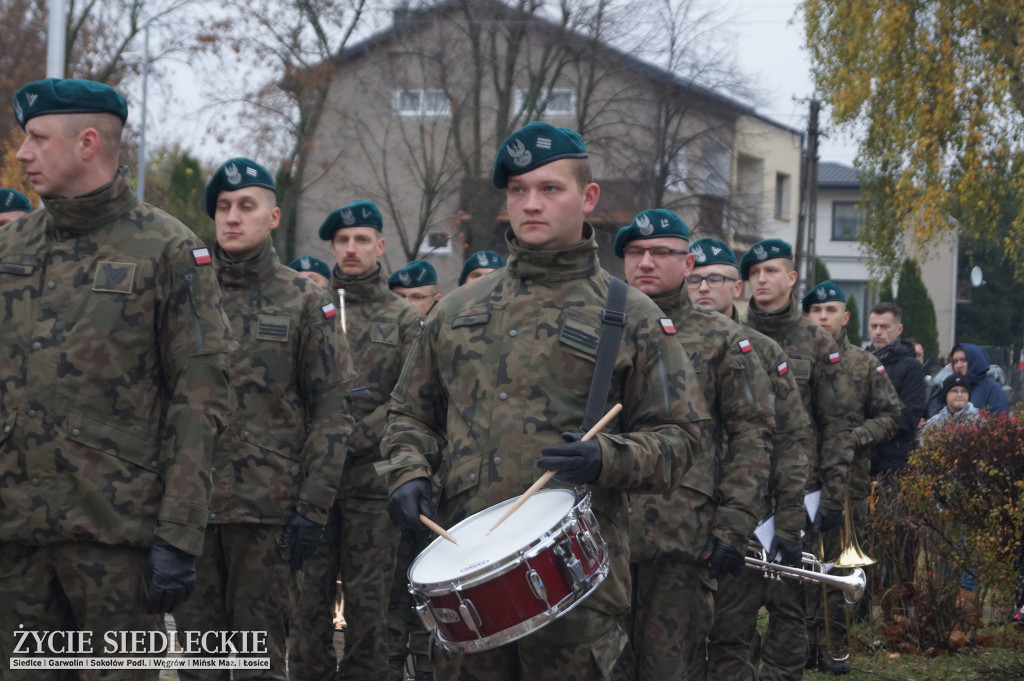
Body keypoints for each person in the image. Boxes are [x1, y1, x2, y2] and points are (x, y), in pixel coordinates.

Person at [381, 121, 708, 681]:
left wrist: (607, 458)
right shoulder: (456, 310)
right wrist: (407, 472)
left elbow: (682, 438)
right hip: (468, 575)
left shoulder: (630, 315)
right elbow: (408, 413)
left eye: (550, 189)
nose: (530, 204)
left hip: (576, 588)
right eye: (518, 190)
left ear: (588, 197)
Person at [1, 78, 231, 674]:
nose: (22, 153)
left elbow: (199, 397)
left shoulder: (168, 249)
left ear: (86, 142)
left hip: (114, 541)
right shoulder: (11, 249)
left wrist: (179, 533)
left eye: (35, 138)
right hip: (15, 536)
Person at [173, 157, 353, 679]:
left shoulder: (304, 300)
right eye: (224, 207)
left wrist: (313, 508)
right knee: (197, 665)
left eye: (246, 206)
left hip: (269, 514)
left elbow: (333, 410)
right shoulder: (187, 294)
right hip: (192, 513)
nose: (232, 217)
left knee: (260, 663)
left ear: (273, 217)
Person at [615, 212, 774, 681]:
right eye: (634, 252)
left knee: (670, 668)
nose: (646, 262)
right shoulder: (600, 330)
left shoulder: (722, 339)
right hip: (602, 534)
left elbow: (753, 432)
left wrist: (734, 525)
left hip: (681, 534)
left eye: (661, 252)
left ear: (687, 264)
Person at [288, 200, 421, 681]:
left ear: (380, 246)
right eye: (342, 241)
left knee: (371, 607)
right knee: (306, 606)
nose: (350, 249)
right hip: (314, 486)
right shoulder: (312, 311)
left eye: (361, 239)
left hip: (372, 482)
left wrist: (354, 435)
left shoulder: (403, 319)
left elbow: (412, 398)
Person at [688, 238, 811, 681]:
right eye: (695, 278)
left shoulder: (760, 350)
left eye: (715, 278)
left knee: (730, 640)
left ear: (736, 288)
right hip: (678, 518)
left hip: (743, 517)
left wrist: (789, 520)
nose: (703, 288)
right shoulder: (659, 342)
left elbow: (792, 440)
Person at [739, 238, 855, 681]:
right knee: (732, 610)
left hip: (796, 497)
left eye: (771, 271)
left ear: (791, 278)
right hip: (739, 493)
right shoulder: (730, 333)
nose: (762, 280)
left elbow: (837, 425)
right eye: (754, 273)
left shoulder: (816, 342)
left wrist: (832, 495)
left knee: (790, 606)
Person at [803, 281, 901, 674]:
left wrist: (858, 436)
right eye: (816, 311)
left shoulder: (863, 363)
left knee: (839, 569)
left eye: (831, 310)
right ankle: (802, 645)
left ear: (844, 318)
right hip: (800, 482)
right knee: (801, 565)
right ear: (806, 317)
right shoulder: (793, 360)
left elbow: (893, 415)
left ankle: (835, 648)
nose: (823, 317)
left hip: (847, 483)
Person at [868, 302, 927, 479]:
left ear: (899, 329)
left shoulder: (911, 368)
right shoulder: (860, 362)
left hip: (892, 467)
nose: (878, 332)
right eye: (873, 326)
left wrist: (867, 427)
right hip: (859, 464)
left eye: (884, 326)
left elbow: (909, 417)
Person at [948, 342, 1009, 414]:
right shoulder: (950, 388)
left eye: (963, 360)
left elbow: (999, 420)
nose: (958, 365)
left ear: (975, 361)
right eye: (955, 361)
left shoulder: (993, 390)